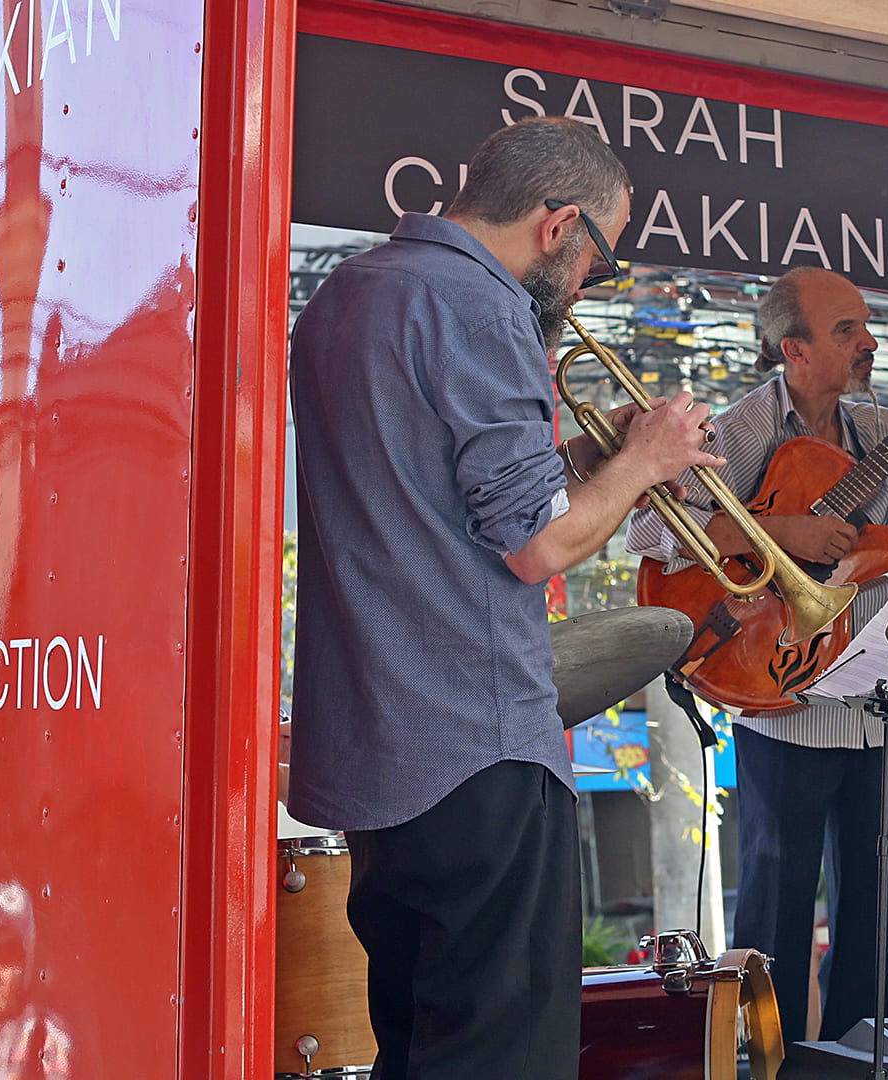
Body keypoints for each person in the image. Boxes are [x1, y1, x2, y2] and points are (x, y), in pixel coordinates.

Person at [287, 117, 723, 1079]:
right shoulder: (483, 309)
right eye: (598, 264)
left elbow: (433, 501)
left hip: (375, 752)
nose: (588, 288)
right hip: (475, 740)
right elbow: (538, 545)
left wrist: (582, 460)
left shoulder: (344, 296)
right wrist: (645, 461)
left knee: (415, 1047)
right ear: (558, 224)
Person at [627, 265, 888, 1042]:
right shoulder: (745, 428)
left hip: (881, 716)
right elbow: (650, 529)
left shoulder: (887, 435)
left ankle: (860, 1057)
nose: (869, 341)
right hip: (780, 704)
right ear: (792, 349)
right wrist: (779, 536)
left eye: (865, 324)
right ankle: (768, 1061)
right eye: (847, 330)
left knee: (880, 919)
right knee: (776, 918)